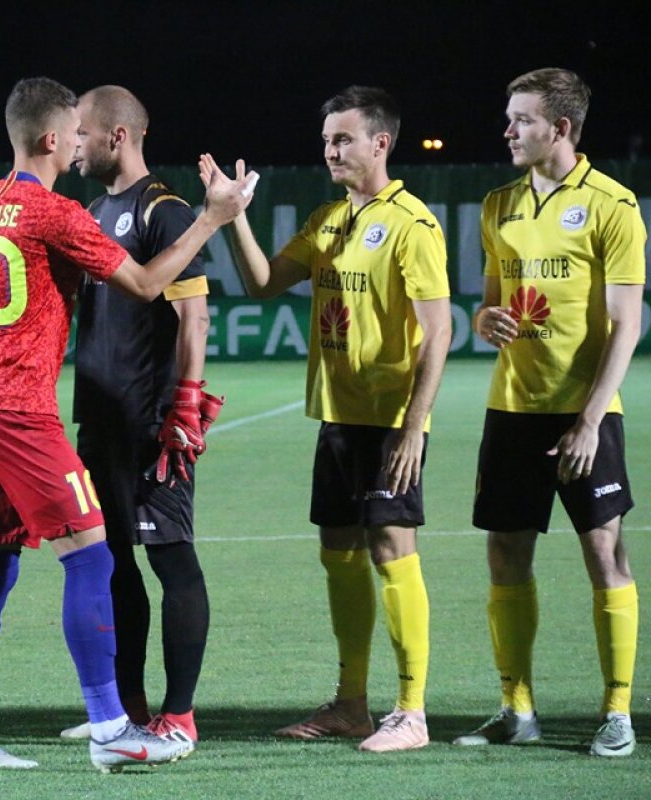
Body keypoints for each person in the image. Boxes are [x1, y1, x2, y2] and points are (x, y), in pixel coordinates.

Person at [0, 77, 253, 772]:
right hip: (26, 415)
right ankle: (112, 726)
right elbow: (141, 285)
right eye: (74, 130)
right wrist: (212, 219)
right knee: (94, 556)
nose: (81, 140)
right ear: (52, 138)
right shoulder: (58, 214)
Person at [219, 85, 451, 753]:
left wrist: (415, 425)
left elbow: (438, 331)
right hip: (337, 419)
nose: (330, 149)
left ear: (381, 142)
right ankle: (352, 703)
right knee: (340, 555)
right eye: (326, 139)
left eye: (343, 139)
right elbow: (262, 282)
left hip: (390, 423)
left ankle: (411, 712)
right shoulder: (328, 221)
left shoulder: (412, 225)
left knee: (390, 550)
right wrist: (234, 216)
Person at [453, 68, 644, 758]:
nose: (508, 130)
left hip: (587, 411)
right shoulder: (498, 204)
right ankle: (516, 707)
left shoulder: (613, 206)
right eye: (509, 118)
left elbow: (626, 324)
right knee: (506, 554)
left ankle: (617, 712)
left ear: (560, 128)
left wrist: (591, 419)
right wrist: (485, 318)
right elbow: (494, 301)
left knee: (604, 552)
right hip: (512, 409)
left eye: (522, 120)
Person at [61, 85, 217, 749]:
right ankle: (128, 712)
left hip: (152, 424)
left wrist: (184, 401)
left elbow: (193, 314)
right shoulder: (95, 209)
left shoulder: (167, 210)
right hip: (101, 420)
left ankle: (178, 718)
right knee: (115, 565)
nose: (74, 146)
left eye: (82, 134)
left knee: (171, 561)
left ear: (117, 136)